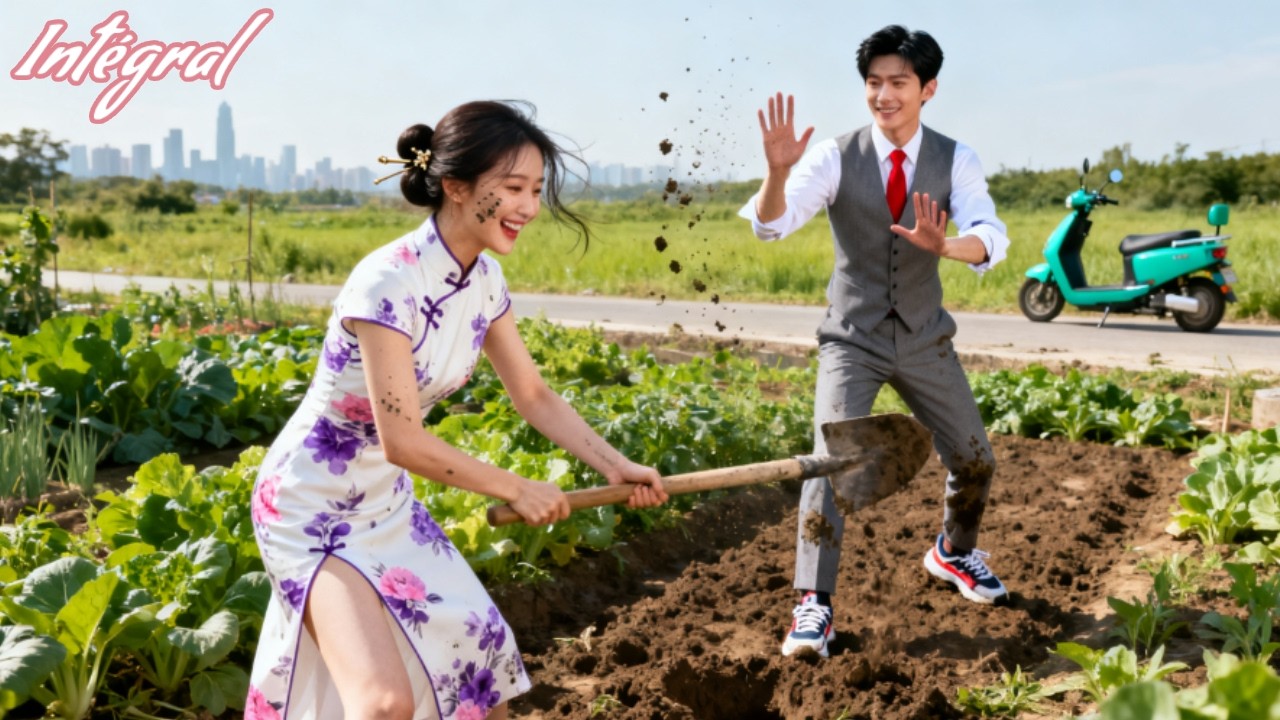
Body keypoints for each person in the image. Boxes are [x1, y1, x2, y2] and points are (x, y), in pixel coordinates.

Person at [246, 100, 668, 720]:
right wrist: (517, 487)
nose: (529, 207)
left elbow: (534, 395)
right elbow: (402, 441)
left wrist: (615, 465)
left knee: (482, 667)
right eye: (513, 188)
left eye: (536, 190)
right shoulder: (387, 282)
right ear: (456, 186)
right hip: (309, 507)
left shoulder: (485, 281)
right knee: (383, 704)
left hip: (384, 504)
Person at [738, 25, 1011, 659]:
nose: (884, 95)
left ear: (928, 89)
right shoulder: (835, 156)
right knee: (830, 460)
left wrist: (946, 245)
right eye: (873, 83)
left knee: (975, 458)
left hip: (923, 336)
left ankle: (954, 553)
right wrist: (776, 174)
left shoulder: (956, 159)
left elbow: (989, 236)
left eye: (898, 83)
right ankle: (813, 604)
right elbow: (772, 225)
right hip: (852, 338)